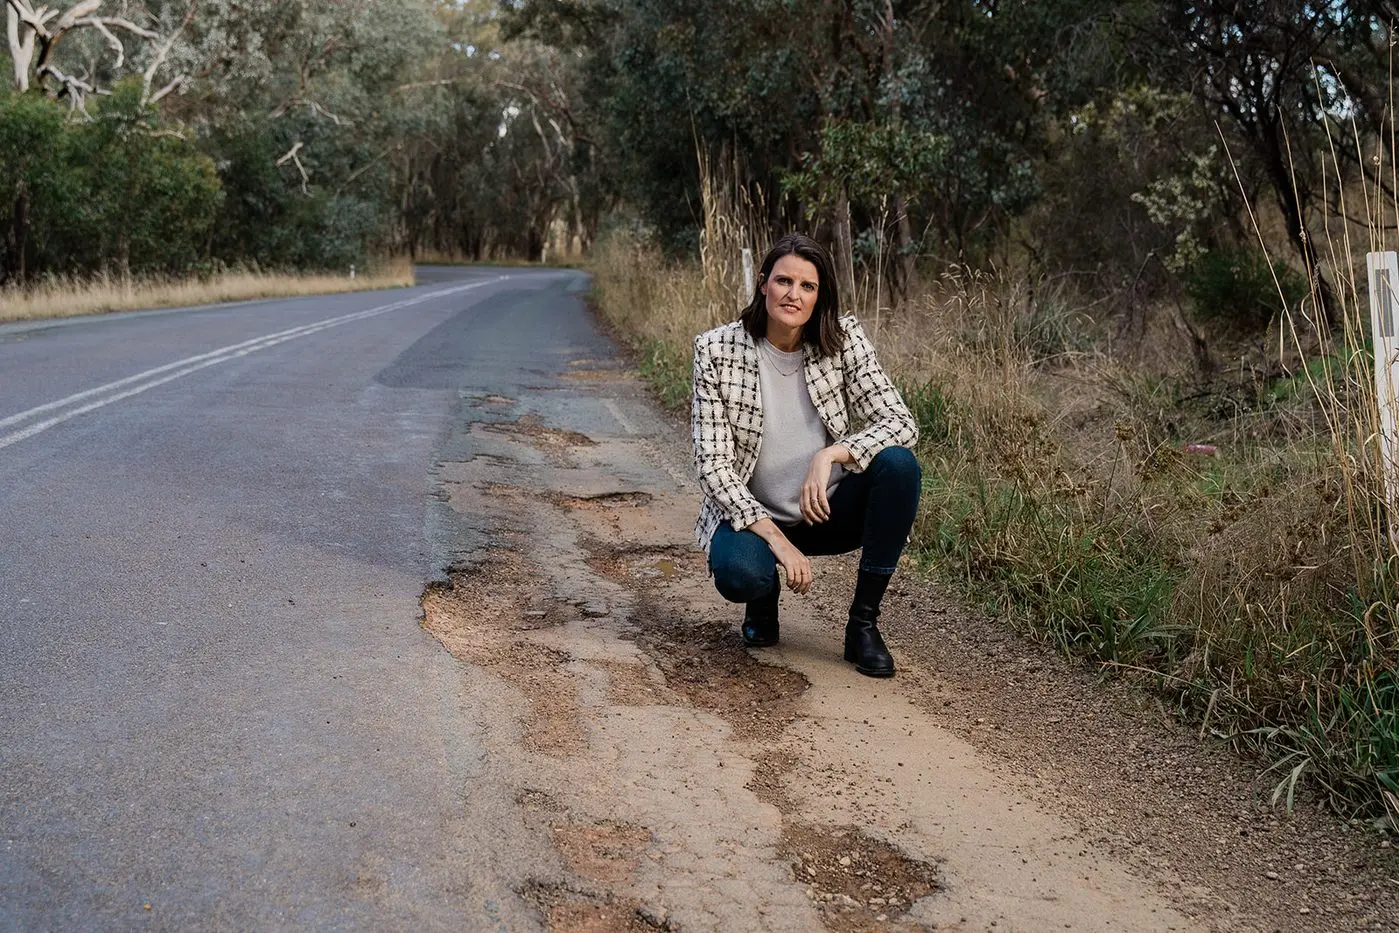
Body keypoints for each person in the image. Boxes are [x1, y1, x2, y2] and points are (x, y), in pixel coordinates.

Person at [691, 233, 921, 677]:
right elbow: (713, 466)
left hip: (825, 512)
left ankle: (863, 626)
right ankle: (762, 598)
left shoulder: (842, 340)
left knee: (899, 466)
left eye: (807, 286)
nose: (793, 295)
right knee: (743, 575)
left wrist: (834, 454)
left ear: (820, 296)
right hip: (756, 520)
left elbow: (901, 423)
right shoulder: (716, 351)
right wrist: (778, 543)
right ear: (763, 284)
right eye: (783, 281)